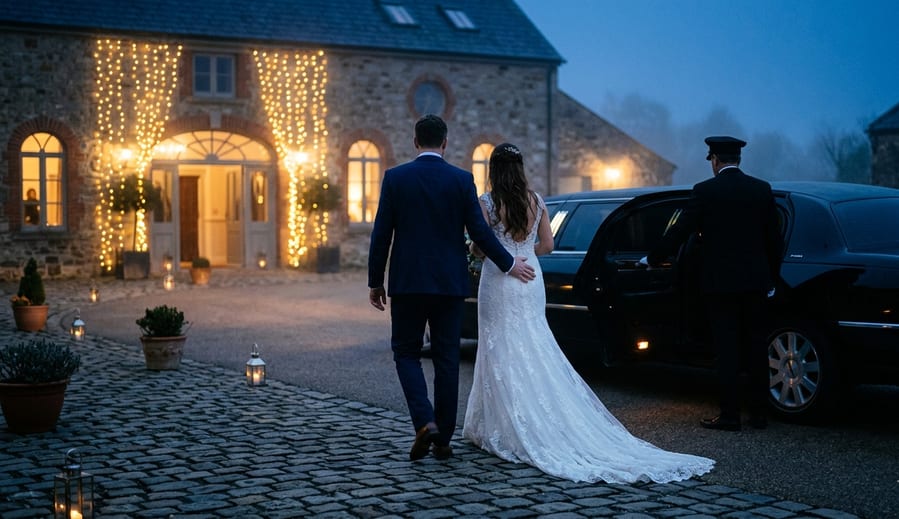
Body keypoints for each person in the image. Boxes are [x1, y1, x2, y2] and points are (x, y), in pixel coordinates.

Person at [463, 143, 714, 483]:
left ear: (494, 169)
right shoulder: (536, 201)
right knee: (535, 345)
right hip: (530, 279)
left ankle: (502, 427)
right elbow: (548, 246)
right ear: (521, 168)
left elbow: (480, 245)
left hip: (500, 279)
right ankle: (534, 419)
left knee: (498, 348)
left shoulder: (488, 203)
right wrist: (525, 252)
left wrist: (505, 255)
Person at [368, 115, 536, 462]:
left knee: (406, 352)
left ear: (415, 142)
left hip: (408, 283)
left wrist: (375, 282)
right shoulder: (461, 180)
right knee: (447, 359)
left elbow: (381, 233)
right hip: (449, 285)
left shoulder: (395, 178)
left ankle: (424, 422)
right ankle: (443, 438)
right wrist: (508, 263)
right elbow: (480, 231)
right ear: (445, 144)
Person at [643, 136, 783, 432]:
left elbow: (680, 231)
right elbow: (774, 239)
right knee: (757, 347)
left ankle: (730, 415)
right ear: (739, 160)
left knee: (727, 349)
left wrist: (654, 257)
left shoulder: (705, 192)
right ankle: (758, 415)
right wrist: (770, 276)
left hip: (720, 285)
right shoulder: (761, 189)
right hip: (756, 283)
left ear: (715, 161)